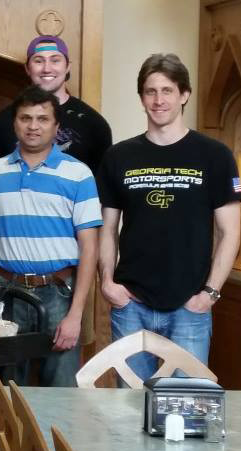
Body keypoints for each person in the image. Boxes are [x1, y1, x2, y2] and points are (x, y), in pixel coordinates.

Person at [98, 54, 241, 380]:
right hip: (131, 304)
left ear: (184, 94)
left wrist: (210, 294)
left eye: (167, 91)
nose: (158, 100)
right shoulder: (118, 156)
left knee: (187, 412)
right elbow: (107, 228)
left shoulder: (215, 156)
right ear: (141, 98)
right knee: (127, 413)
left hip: (190, 306)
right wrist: (108, 283)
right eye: (150, 92)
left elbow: (230, 232)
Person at [0, 86, 101, 388]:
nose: (33, 126)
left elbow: (90, 247)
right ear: (14, 123)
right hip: (7, 292)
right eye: (25, 118)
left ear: (56, 127)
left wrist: (76, 315)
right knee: (6, 388)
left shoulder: (79, 175)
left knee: (61, 389)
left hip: (59, 293)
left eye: (42, 119)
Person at [0, 35, 111, 175]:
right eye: (38, 61)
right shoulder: (1, 122)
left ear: (68, 66)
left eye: (55, 60)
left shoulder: (93, 123)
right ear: (27, 68)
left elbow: (101, 186)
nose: (47, 69)